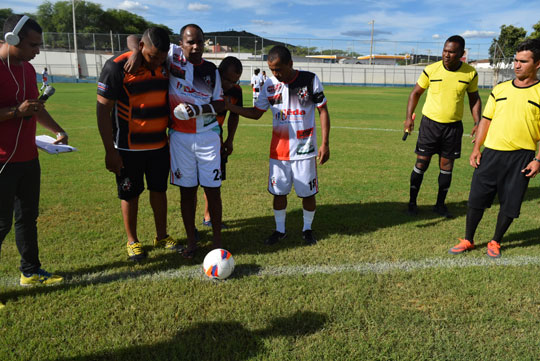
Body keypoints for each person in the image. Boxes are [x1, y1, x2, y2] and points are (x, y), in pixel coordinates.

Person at [125, 24, 225, 258]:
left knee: (213, 190)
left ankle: (218, 241)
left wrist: (197, 109)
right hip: (180, 138)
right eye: (190, 42)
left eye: (200, 41)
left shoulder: (211, 70)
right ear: (180, 44)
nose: (196, 46)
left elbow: (220, 105)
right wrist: (136, 53)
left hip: (208, 137)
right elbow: (134, 38)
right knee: (187, 192)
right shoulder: (171, 56)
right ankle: (191, 241)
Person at [226, 45, 330, 245]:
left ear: (290, 64)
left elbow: (323, 110)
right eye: (272, 69)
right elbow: (257, 113)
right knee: (279, 192)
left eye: (279, 69)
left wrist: (325, 144)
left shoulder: (309, 80)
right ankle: (280, 230)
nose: (275, 73)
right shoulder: (269, 85)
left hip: (305, 150)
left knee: (307, 193)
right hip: (279, 152)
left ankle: (307, 229)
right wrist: (231, 107)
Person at [449, 39, 540, 258]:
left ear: (537, 64)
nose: (517, 65)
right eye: (515, 60)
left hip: (521, 157)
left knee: (510, 203)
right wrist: (476, 148)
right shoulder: (499, 89)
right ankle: (468, 239)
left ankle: (495, 241)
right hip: (490, 153)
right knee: (476, 199)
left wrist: (538, 159)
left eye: (523, 61)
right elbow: (486, 121)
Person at [97, 27, 181, 262]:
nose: (156, 63)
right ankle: (133, 241)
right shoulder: (117, 66)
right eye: (152, 57)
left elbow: (136, 39)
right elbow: (103, 110)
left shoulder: (164, 63)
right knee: (129, 194)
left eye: (160, 58)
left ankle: (162, 235)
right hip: (127, 148)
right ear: (142, 47)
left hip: (159, 146)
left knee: (159, 191)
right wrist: (109, 151)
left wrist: (141, 51)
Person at [0, 15, 68, 289]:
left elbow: (35, 108)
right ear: (12, 39)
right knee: (1, 223)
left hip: (29, 158)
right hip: (2, 161)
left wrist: (57, 130)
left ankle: (30, 271)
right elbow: (22, 110)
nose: (37, 51)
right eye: (33, 45)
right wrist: (16, 112)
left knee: (28, 218)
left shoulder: (27, 69)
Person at [404, 35, 481, 218]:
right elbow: (415, 93)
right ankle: (412, 202)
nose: (446, 55)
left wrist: (478, 122)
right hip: (430, 125)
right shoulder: (431, 69)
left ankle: (440, 205)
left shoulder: (470, 73)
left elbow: (474, 99)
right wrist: (409, 118)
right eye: (445, 50)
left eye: (451, 52)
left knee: (447, 166)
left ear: (461, 54)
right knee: (421, 163)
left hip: (453, 127)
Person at [201, 56, 243, 228]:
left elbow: (234, 115)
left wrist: (229, 140)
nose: (229, 85)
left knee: (213, 181)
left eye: (234, 81)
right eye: (226, 79)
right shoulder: (204, 86)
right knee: (191, 184)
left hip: (216, 140)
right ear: (219, 73)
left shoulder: (236, 91)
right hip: (195, 138)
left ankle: (208, 217)